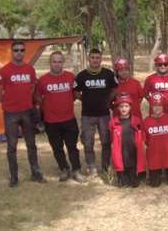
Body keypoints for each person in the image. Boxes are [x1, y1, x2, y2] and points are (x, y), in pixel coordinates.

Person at [0, 41, 43, 187]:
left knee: (31, 144)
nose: (19, 52)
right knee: (12, 146)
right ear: (11, 52)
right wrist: (9, 103)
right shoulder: (3, 71)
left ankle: (35, 173)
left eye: (22, 50)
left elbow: (32, 88)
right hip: (11, 114)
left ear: (24, 52)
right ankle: (14, 177)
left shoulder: (30, 69)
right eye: (16, 50)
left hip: (27, 112)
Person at [36, 51, 82, 182]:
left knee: (72, 147)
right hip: (51, 121)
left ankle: (76, 170)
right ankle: (64, 169)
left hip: (69, 119)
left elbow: (75, 94)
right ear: (50, 63)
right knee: (57, 148)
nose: (57, 64)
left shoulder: (70, 77)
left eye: (59, 62)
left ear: (63, 63)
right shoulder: (43, 80)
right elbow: (38, 97)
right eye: (54, 62)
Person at [73, 48, 117, 177]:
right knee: (88, 142)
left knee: (106, 142)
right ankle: (91, 166)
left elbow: (115, 89)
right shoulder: (82, 75)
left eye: (97, 57)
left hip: (104, 114)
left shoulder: (108, 74)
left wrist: (108, 100)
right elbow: (75, 91)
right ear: (89, 59)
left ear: (101, 59)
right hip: (87, 114)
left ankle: (105, 166)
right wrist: (85, 100)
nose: (95, 60)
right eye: (93, 57)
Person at [143, 93, 168, 186]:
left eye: (159, 105)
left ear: (163, 106)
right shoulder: (146, 121)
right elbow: (146, 140)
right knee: (154, 185)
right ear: (151, 107)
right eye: (154, 106)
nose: (157, 108)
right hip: (154, 156)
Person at [110, 94, 146, 188]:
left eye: (126, 106)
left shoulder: (136, 121)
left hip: (132, 152)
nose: (124, 109)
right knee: (124, 185)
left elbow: (142, 136)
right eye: (121, 106)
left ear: (130, 107)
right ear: (118, 108)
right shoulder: (113, 122)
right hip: (121, 153)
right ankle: (121, 175)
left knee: (134, 184)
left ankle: (135, 174)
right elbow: (111, 137)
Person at [144, 53, 168, 120]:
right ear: (156, 65)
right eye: (160, 64)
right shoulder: (150, 79)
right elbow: (145, 93)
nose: (163, 66)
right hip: (156, 113)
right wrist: (153, 102)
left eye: (165, 64)